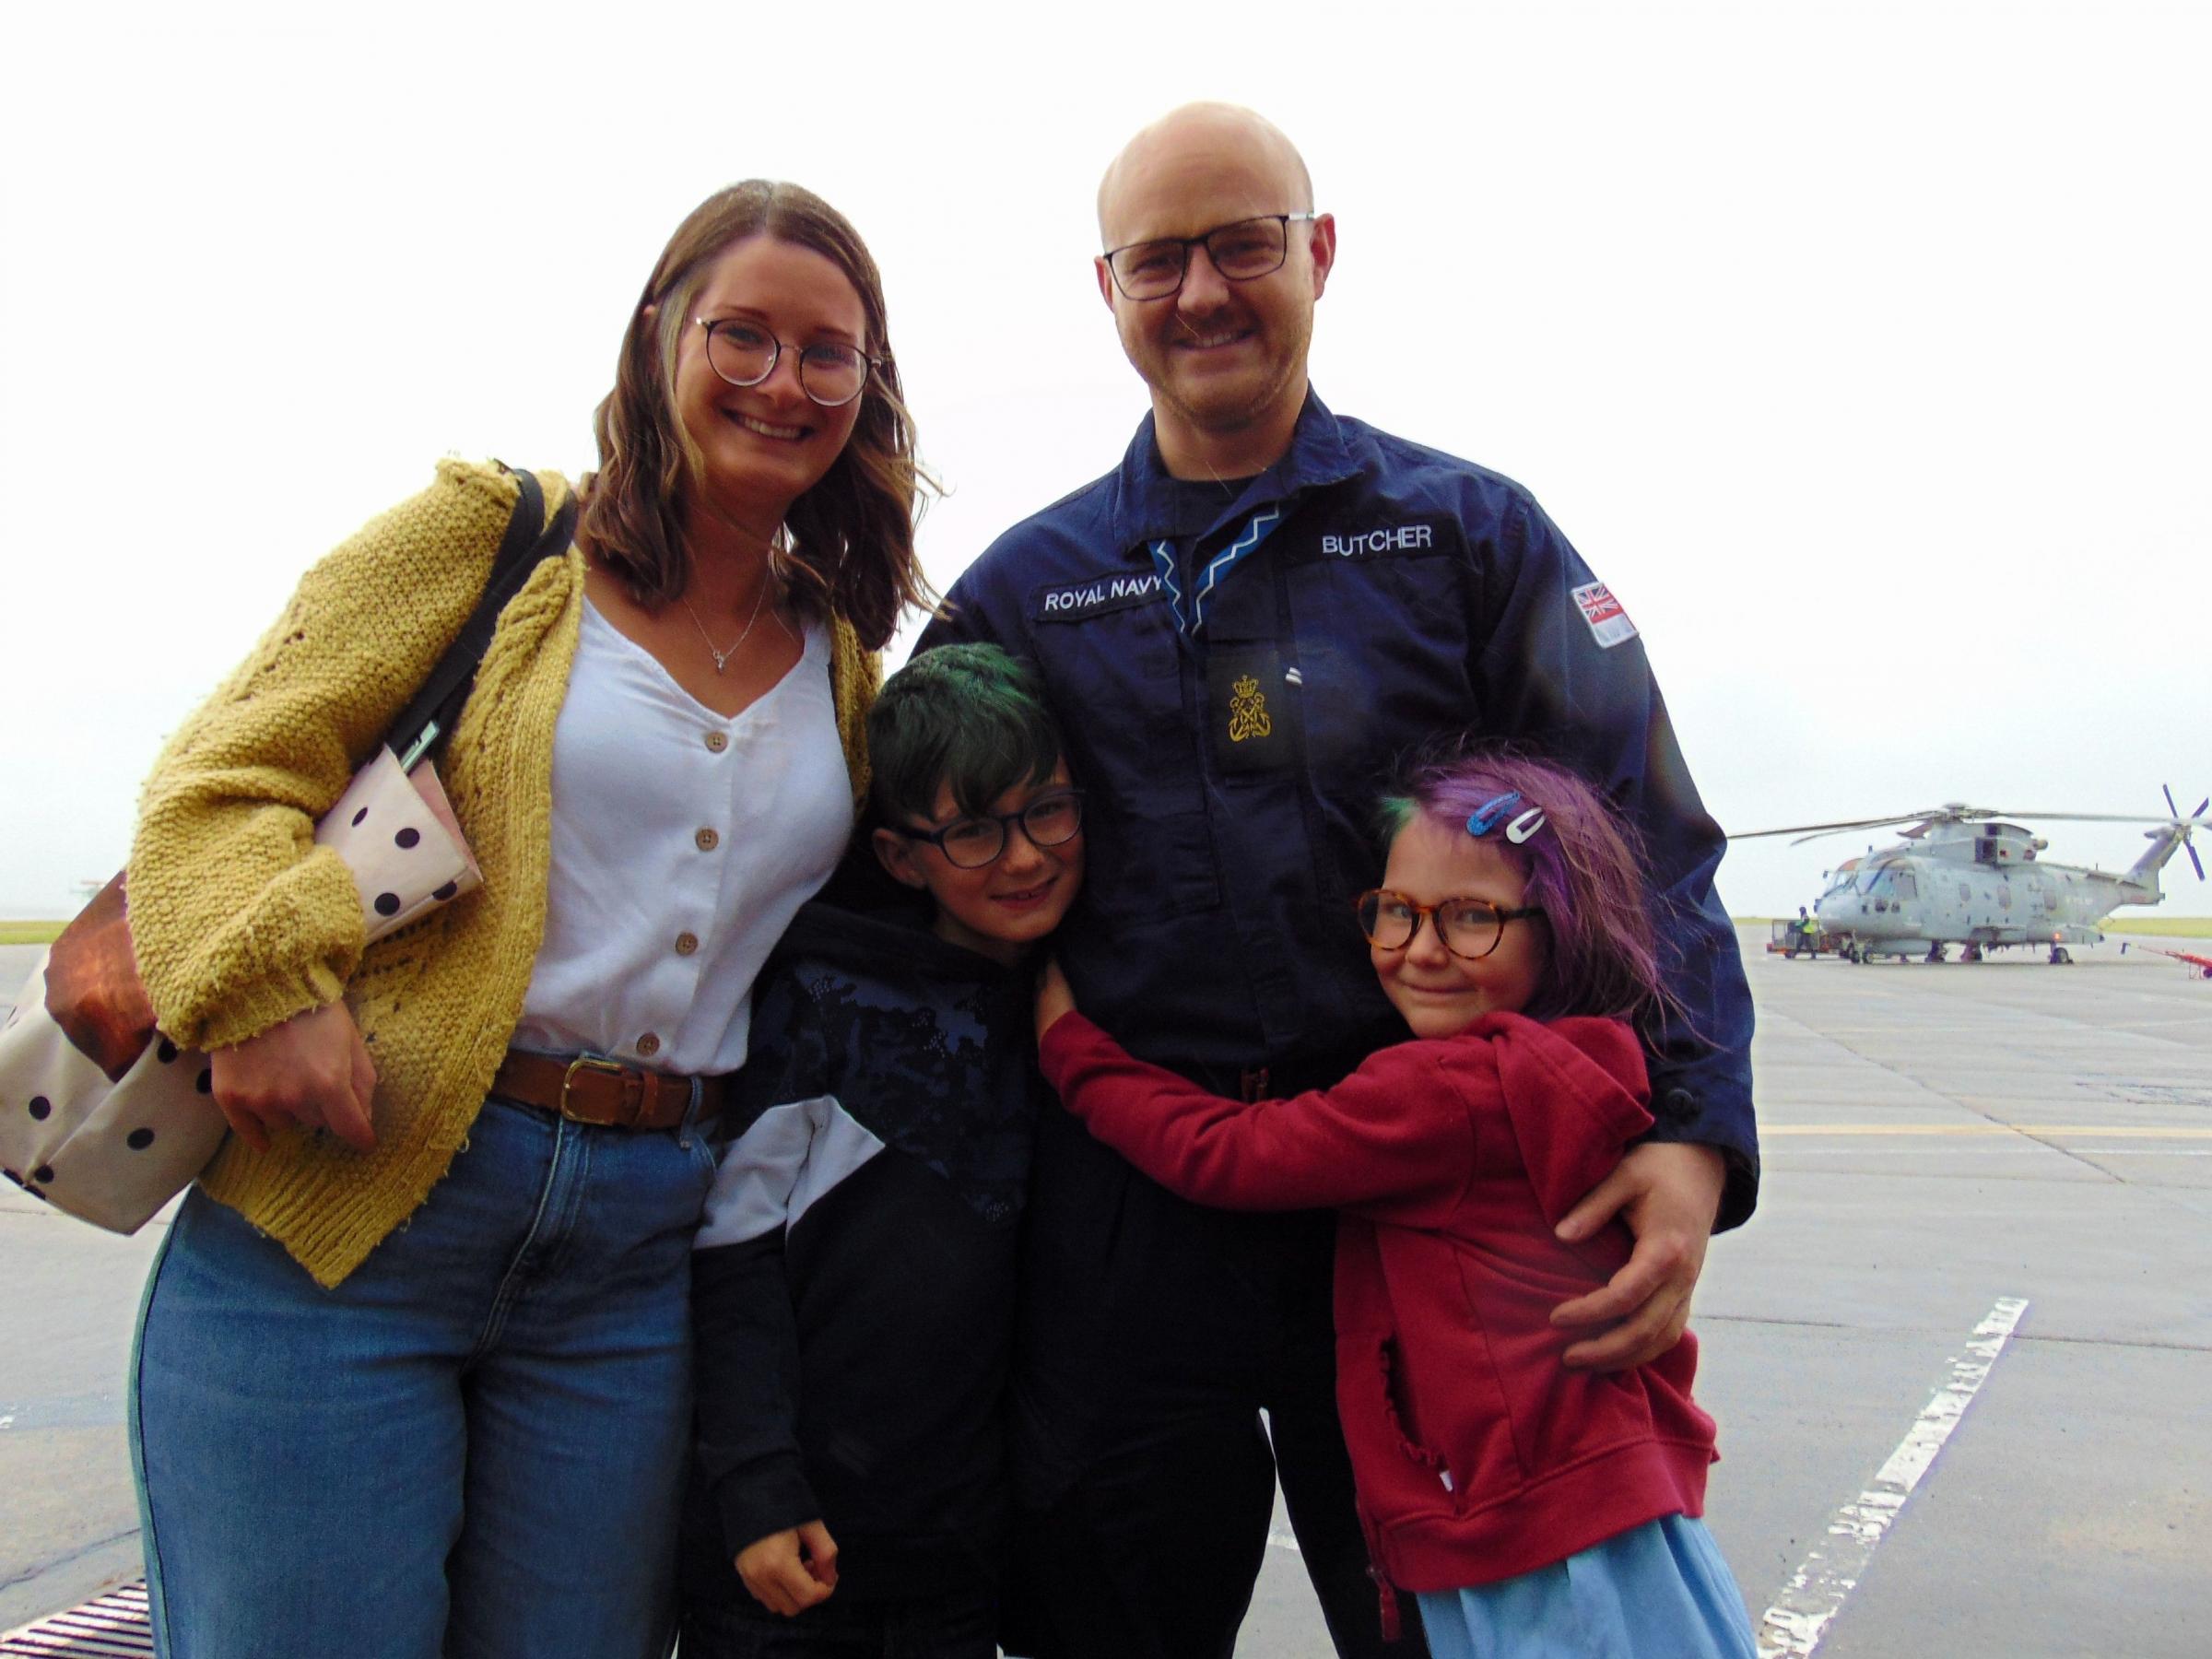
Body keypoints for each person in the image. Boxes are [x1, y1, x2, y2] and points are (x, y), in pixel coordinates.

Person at [917, 102, 1758, 1657]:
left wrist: (1696, 1136)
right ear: (1106, 291)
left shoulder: (1469, 535)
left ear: (1317, 254)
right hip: (1126, 1210)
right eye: (1158, 259)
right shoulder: (1021, 591)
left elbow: (1647, 842)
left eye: (1242, 245)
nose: (1204, 293)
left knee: (1448, 1627)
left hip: (1415, 1204)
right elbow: (904, 863)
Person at [123, 179, 930, 1659]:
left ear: (868, 389)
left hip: (632, 1262)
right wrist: (262, 986)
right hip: (360, 1203)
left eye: (831, 352)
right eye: (741, 333)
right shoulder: (496, 540)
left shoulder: (842, 664)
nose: (783, 378)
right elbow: (220, 778)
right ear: (658, 338)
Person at [1035, 747, 1759, 1659]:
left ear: (1561, 930)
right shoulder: (1571, 1059)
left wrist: (1073, 1049)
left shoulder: (1446, 1093)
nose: (1421, 949)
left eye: (1471, 920)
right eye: (1397, 913)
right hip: (1619, 1512)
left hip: (1533, 1540)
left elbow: (1227, 1156)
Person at [678, 643, 1083, 1659]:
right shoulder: (828, 1001)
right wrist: (757, 1485)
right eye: (975, 832)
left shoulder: (1088, 1009)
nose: (1026, 856)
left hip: (966, 1563)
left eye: (1048, 809)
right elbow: (732, 1257)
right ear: (902, 857)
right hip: (795, 1552)